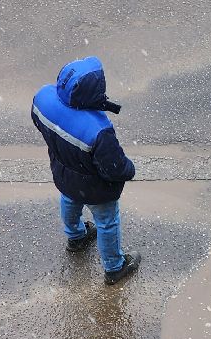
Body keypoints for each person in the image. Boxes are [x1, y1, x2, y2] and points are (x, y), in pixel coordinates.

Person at [31, 56, 141, 284]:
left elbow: (39, 125)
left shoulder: (42, 100)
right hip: (96, 188)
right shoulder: (98, 131)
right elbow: (116, 168)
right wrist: (130, 169)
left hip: (64, 172)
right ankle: (114, 267)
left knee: (69, 199)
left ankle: (76, 236)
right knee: (107, 221)